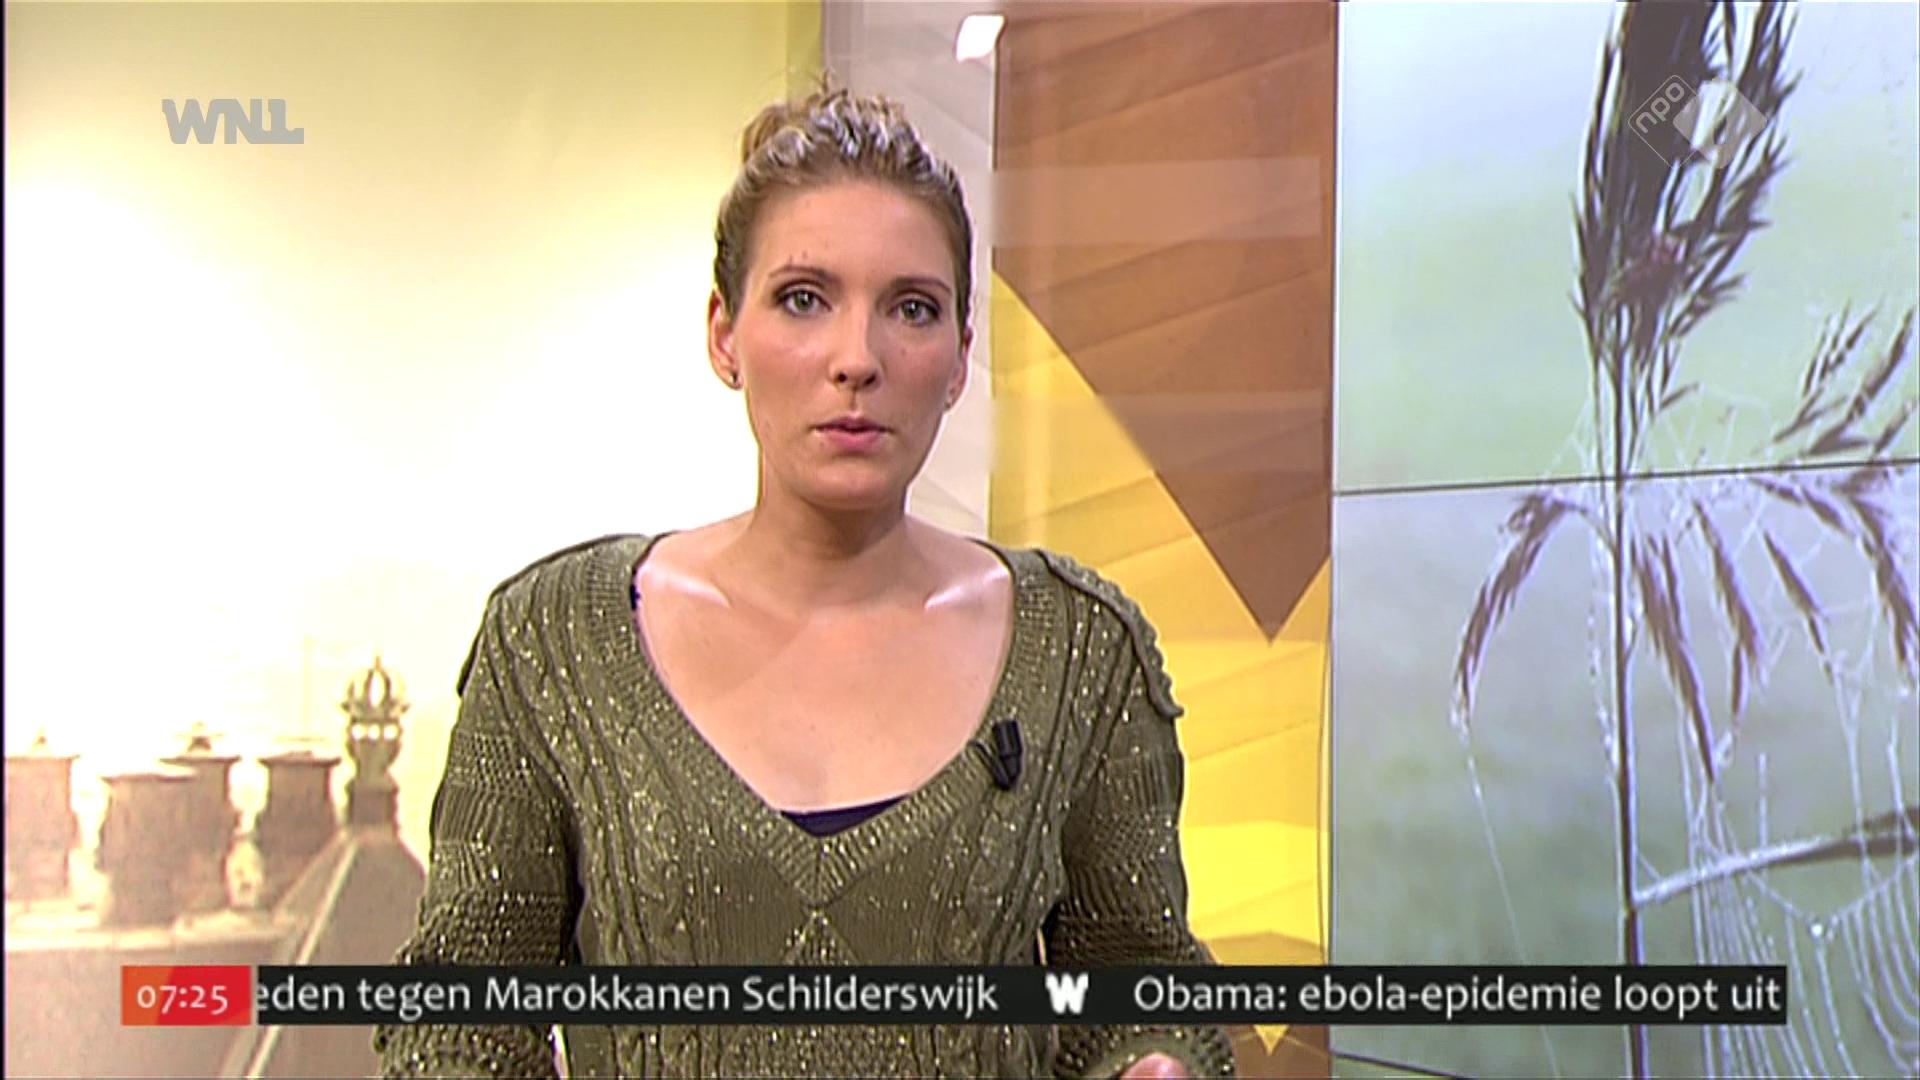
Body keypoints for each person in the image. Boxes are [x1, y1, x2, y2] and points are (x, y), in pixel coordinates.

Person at [374, 86, 1234, 1080]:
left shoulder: (1079, 652)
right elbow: (457, 1023)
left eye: (912, 309)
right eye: (803, 299)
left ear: (960, 357)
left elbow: (1143, 995)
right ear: (723, 335)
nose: (856, 360)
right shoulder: (556, 644)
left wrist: (1157, 1062)